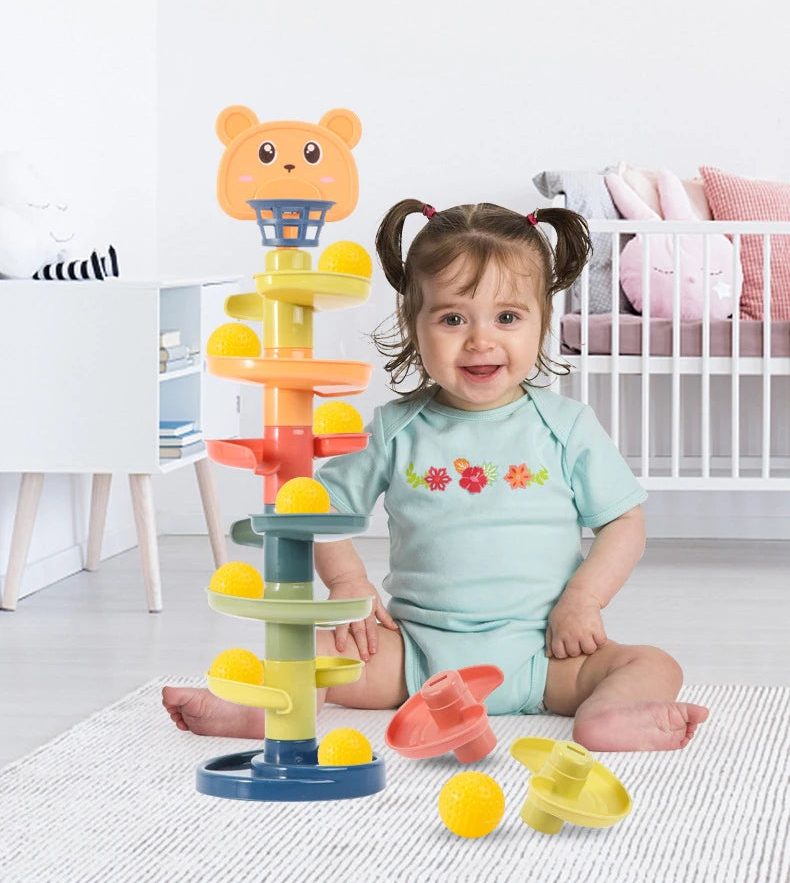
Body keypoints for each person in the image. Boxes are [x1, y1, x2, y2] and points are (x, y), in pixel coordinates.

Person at [163, 199, 709, 751]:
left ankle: (610, 715)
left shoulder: (566, 426)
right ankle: (263, 710)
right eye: (452, 318)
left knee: (651, 663)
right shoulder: (395, 429)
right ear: (413, 325)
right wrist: (348, 582)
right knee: (312, 651)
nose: (480, 340)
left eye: (508, 317)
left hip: (549, 653)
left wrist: (584, 600)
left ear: (541, 321)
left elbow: (623, 523)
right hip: (413, 657)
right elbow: (313, 507)